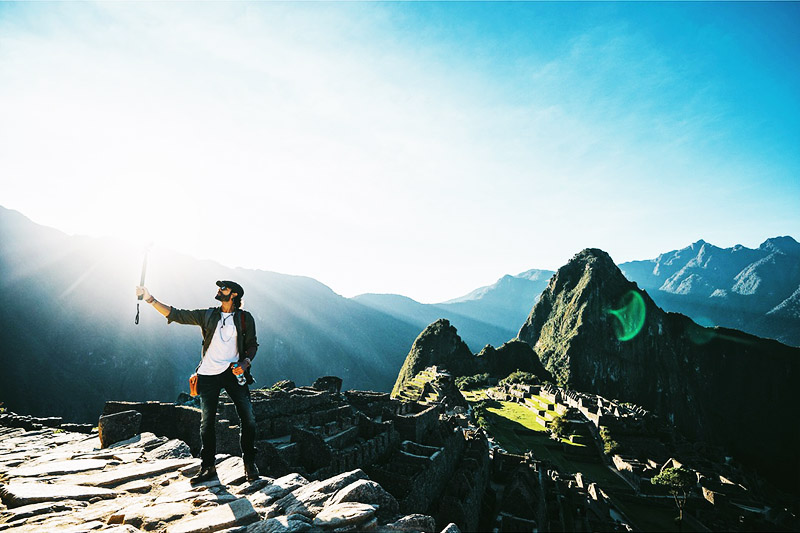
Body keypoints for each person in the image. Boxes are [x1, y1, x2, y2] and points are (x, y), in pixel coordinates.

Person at [135, 280, 260, 483]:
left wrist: (245, 362)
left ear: (234, 295)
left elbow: (252, 345)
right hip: (208, 373)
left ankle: (249, 463)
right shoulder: (208, 315)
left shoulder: (245, 318)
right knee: (206, 423)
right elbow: (177, 314)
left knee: (248, 418)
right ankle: (208, 466)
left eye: (224, 288)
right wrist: (150, 299)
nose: (219, 290)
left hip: (233, 372)